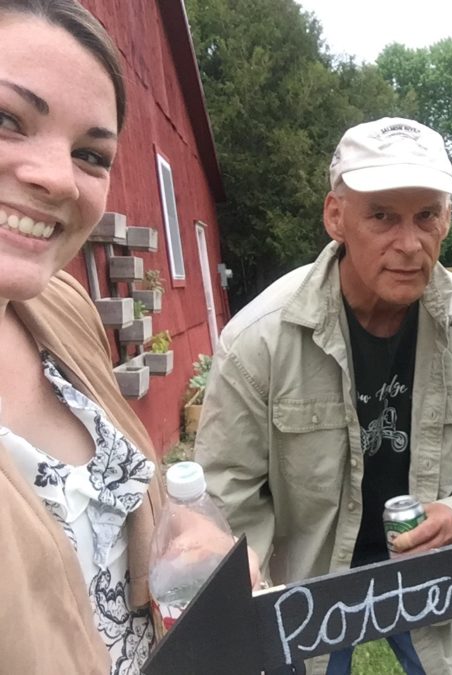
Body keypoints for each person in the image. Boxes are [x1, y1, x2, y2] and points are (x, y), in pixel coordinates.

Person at [195, 117, 452, 675]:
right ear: (336, 217)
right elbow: (229, 494)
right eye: (382, 216)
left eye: (427, 216)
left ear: (446, 217)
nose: (410, 243)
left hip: (430, 569)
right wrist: (255, 595)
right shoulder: (260, 340)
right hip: (309, 575)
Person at [0, 3, 259, 673]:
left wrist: (190, 541)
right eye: (7, 119)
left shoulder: (58, 307)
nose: (57, 176)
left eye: (91, 153)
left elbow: (112, 520)